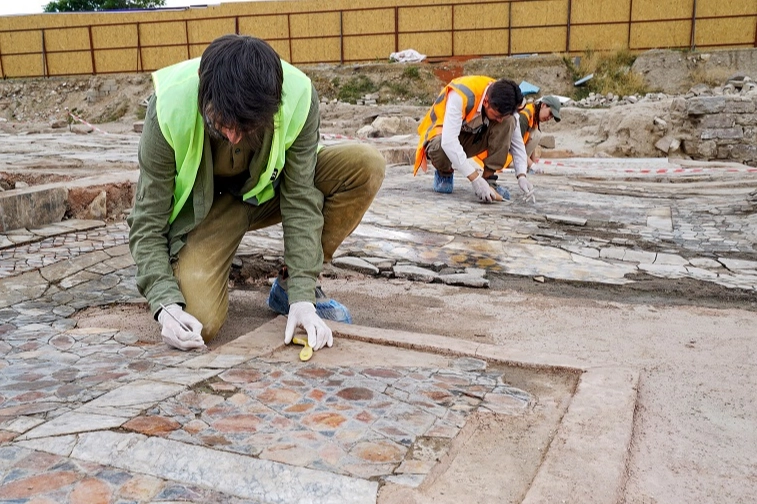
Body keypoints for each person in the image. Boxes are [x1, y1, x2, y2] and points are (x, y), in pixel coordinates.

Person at [128, 34, 385, 352]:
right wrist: (164, 302)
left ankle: (287, 287)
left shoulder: (297, 95)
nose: (234, 137)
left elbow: (301, 199)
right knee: (198, 322)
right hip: (208, 210)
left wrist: (302, 296)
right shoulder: (168, 107)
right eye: (222, 122)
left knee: (365, 165)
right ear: (203, 93)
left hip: (269, 192)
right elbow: (146, 223)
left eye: (247, 126)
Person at [413, 76, 535, 203]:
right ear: (486, 101)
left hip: (471, 137)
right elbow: (449, 141)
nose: (499, 120)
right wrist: (475, 180)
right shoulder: (461, 95)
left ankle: (489, 179)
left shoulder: (507, 101)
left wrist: (522, 175)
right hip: (441, 136)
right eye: (497, 115)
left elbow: (517, 143)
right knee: (440, 147)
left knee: (508, 121)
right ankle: (445, 173)